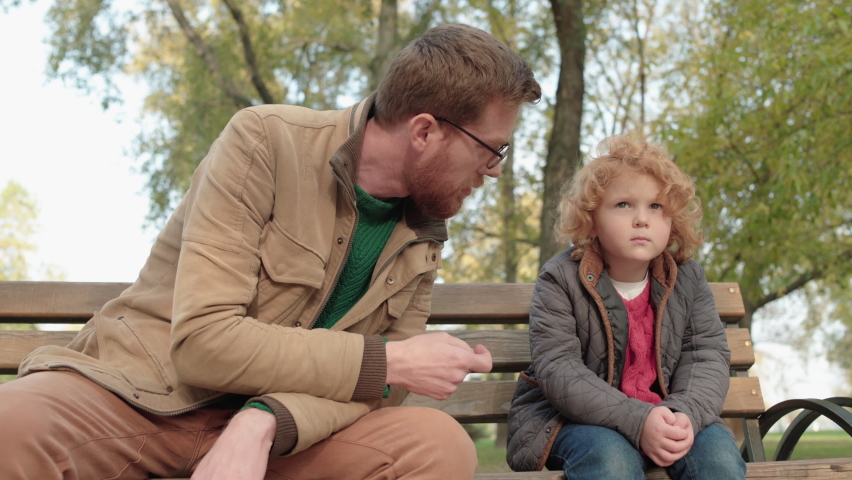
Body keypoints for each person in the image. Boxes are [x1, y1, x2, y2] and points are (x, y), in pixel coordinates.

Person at [0, 24, 541, 480]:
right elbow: (204, 341)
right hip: (148, 401)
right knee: (13, 421)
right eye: (492, 150)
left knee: (438, 446)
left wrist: (264, 420)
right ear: (425, 130)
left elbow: (379, 391)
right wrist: (394, 359)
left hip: (286, 439)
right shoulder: (264, 140)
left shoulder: (425, 228)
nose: (493, 171)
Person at [505, 134, 746, 480]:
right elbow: (559, 368)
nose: (641, 219)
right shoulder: (561, 278)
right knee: (612, 461)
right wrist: (638, 420)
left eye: (655, 207)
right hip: (579, 421)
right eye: (623, 205)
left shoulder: (688, 278)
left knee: (719, 459)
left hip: (669, 415)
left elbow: (705, 356)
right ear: (591, 218)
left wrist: (684, 415)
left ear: (672, 220)